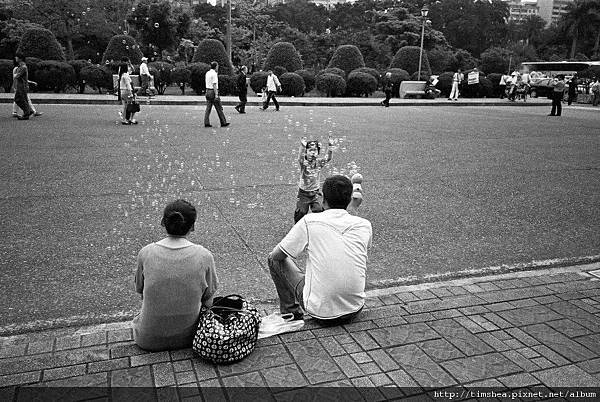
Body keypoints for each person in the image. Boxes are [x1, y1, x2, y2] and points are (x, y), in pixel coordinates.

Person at [268, 175, 372, 325]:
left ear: (323, 199)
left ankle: (291, 314)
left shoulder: (309, 221)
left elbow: (278, 255)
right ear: (349, 199)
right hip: (354, 309)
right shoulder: (364, 225)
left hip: (321, 313)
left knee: (273, 259)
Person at [133, 199, 219, 351]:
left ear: (162, 223)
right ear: (192, 226)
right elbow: (208, 301)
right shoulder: (204, 256)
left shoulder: (146, 252)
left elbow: (141, 292)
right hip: (191, 339)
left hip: (147, 339)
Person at [294, 138, 334, 223]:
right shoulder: (304, 163)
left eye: (315, 150)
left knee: (320, 210)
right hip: (303, 193)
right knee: (301, 212)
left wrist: (330, 146)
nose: (313, 152)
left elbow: (328, 158)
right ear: (306, 152)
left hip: (316, 192)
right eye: (310, 150)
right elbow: (300, 159)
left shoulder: (319, 163)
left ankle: (319, 226)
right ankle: (298, 226)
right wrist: (302, 147)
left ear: (318, 152)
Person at [204, 61, 229, 128]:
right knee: (219, 108)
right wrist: (216, 94)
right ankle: (223, 122)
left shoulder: (207, 73)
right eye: (217, 66)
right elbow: (214, 84)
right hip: (213, 91)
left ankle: (206, 122)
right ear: (215, 67)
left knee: (208, 108)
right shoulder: (214, 74)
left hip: (208, 90)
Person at [13, 53, 32, 120]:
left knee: (19, 100)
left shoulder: (23, 67)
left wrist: (15, 74)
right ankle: (28, 111)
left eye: (16, 57)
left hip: (22, 86)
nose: (15, 58)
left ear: (20, 58)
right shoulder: (21, 66)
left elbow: (16, 76)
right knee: (22, 100)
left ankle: (27, 113)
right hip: (21, 86)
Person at [118, 58, 138, 125]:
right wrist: (131, 93)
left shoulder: (121, 75)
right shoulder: (126, 75)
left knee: (125, 106)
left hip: (122, 92)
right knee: (133, 104)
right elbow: (128, 85)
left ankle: (124, 119)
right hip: (127, 91)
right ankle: (131, 119)